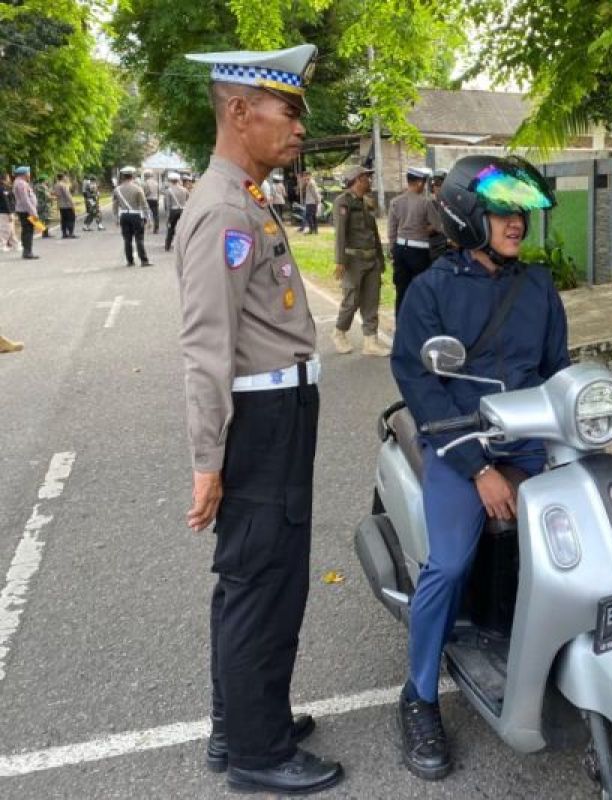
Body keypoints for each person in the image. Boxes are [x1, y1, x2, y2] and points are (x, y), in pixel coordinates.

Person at [176, 42, 343, 794]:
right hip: (262, 417)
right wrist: (207, 460)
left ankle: (242, 720)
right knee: (262, 581)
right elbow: (205, 346)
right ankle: (257, 752)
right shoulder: (223, 209)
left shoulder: (244, 195)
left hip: (279, 407)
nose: (300, 126)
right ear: (240, 112)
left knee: (257, 577)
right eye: (288, 109)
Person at [390, 155, 568, 781]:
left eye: (521, 213)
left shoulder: (538, 287)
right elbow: (420, 383)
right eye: (501, 212)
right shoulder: (430, 290)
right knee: (449, 563)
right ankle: (418, 695)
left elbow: (556, 371)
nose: (516, 223)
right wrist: (478, 468)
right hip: (459, 445)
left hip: (528, 444)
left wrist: (568, 429)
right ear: (468, 216)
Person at [331, 165, 388, 356]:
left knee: (372, 300)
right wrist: (340, 261)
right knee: (351, 300)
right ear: (357, 180)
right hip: (353, 260)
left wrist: (380, 259)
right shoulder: (343, 202)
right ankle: (339, 333)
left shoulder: (367, 202)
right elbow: (340, 233)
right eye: (366, 178)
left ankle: (371, 342)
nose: (369, 181)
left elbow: (374, 232)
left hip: (371, 259)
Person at [386, 166, 441, 316]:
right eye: (424, 183)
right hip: (419, 252)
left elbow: (391, 230)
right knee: (421, 290)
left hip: (400, 249)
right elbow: (439, 225)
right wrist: (426, 229)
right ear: (419, 183)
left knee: (401, 290)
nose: (424, 186)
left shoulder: (395, 202)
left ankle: (400, 323)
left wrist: (393, 250)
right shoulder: (425, 203)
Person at [113, 166, 152, 267]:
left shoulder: (117, 190)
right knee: (139, 238)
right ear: (132, 176)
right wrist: (149, 219)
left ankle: (130, 261)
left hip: (124, 215)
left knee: (127, 239)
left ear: (123, 176)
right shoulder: (138, 189)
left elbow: (115, 206)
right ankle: (144, 260)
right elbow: (144, 205)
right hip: (136, 215)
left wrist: (116, 218)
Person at [12, 166, 39, 259]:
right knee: (28, 231)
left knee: (27, 230)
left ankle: (27, 251)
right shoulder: (21, 184)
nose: (29, 174)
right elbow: (25, 200)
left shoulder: (20, 182)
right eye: (28, 172)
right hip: (26, 211)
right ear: (24, 174)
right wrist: (33, 212)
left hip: (25, 210)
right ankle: (27, 252)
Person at [162, 171, 189, 251]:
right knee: (183, 229)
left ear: (170, 180)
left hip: (173, 211)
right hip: (183, 210)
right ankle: (183, 246)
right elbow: (189, 200)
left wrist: (167, 216)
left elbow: (168, 205)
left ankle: (167, 246)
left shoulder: (169, 191)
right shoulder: (184, 190)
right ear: (178, 180)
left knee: (171, 228)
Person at [428, 169, 449, 260]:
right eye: (436, 184)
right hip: (435, 249)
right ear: (432, 187)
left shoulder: (455, 205)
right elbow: (422, 231)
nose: (439, 187)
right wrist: (439, 224)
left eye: (442, 184)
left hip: (454, 250)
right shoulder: (429, 206)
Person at [54, 173, 76, 238]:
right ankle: (71, 233)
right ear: (63, 177)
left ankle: (64, 233)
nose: (66, 178)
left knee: (63, 220)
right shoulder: (64, 185)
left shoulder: (56, 185)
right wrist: (72, 203)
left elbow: (57, 194)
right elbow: (67, 195)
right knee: (71, 219)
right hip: (67, 205)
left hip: (61, 205)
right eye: (65, 177)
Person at [301, 170, 321, 234]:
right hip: (311, 201)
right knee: (313, 216)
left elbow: (315, 192)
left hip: (311, 201)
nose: (304, 177)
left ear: (309, 175)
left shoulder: (311, 183)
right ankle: (315, 230)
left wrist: (317, 200)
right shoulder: (309, 182)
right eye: (303, 176)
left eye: (305, 175)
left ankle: (312, 230)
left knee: (309, 216)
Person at [0, 173, 16, 252]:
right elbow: (5, 201)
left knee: (11, 229)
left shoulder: (6, 187)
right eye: (8, 178)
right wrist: (9, 213)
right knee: (5, 229)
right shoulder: (2, 188)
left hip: (9, 211)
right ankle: (2, 245)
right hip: (5, 211)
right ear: (4, 179)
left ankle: (14, 244)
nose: (9, 179)